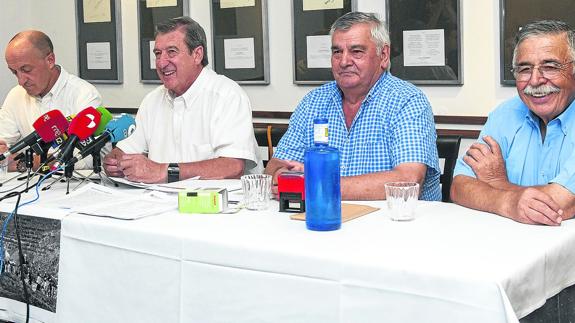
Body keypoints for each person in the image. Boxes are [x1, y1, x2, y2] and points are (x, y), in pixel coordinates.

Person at [265, 12, 441, 201]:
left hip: (393, 224)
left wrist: (319, 185)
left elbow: (408, 181)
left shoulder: (407, 101)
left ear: (383, 55)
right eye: (337, 52)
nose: (344, 61)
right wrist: (280, 174)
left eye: (356, 51)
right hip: (326, 219)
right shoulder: (313, 102)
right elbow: (275, 165)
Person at [103, 16, 260, 183]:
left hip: (215, 204)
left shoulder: (227, 95)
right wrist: (115, 162)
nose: (162, 63)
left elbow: (233, 166)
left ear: (197, 54)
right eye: (157, 53)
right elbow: (125, 150)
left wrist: (163, 171)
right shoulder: (152, 100)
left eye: (172, 52)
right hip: (157, 201)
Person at [451, 20, 575, 225]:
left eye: (550, 67)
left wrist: (497, 183)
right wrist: (508, 201)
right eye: (525, 69)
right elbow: (460, 186)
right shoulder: (504, 115)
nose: (535, 80)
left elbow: (560, 203)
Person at [0, 30, 102, 168]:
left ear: (50, 60)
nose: (21, 80)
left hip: (71, 185)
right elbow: (4, 149)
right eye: (14, 72)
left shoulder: (85, 95)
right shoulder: (15, 95)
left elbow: (87, 158)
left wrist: (24, 163)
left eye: (26, 70)